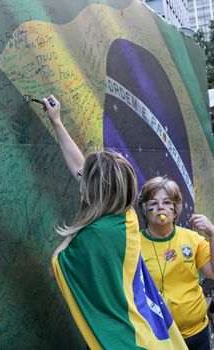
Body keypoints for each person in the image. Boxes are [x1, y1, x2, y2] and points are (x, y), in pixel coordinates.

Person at [42, 95, 188, 350]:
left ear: (94, 191)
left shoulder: (95, 233)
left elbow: (57, 264)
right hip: (146, 335)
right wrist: (57, 122)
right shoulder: (126, 217)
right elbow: (81, 169)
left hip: (125, 342)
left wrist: (80, 223)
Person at [138, 176, 214, 350]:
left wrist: (212, 234)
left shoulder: (192, 239)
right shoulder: (133, 245)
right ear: (144, 208)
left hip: (196, 334)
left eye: (166, 202)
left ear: (176, 208)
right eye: (153, 203)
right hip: (156, 337)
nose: (160, 207)